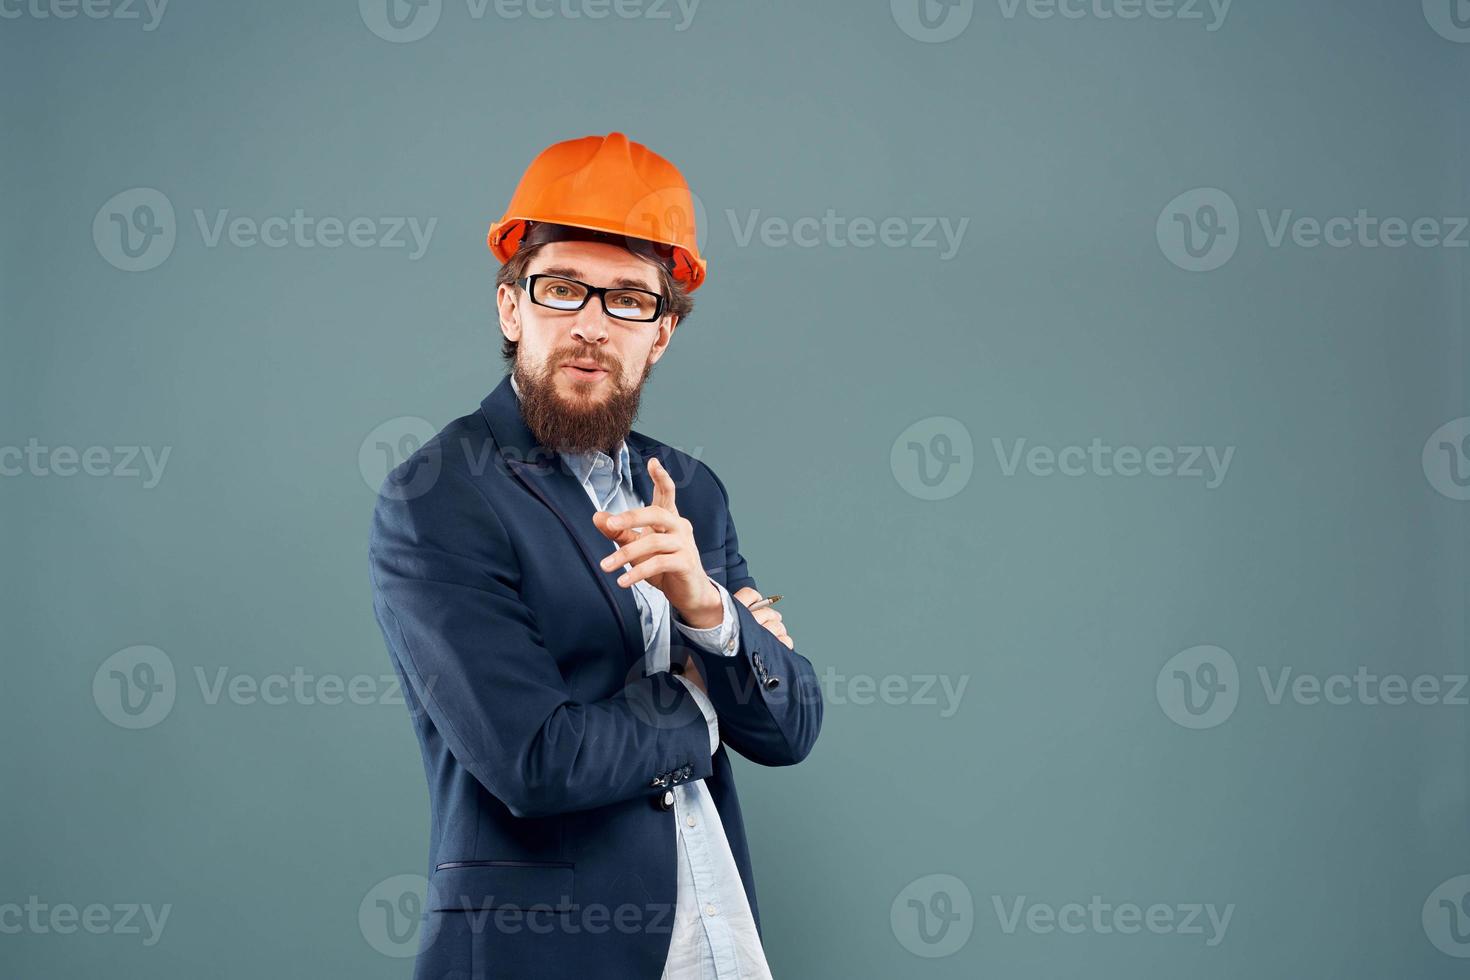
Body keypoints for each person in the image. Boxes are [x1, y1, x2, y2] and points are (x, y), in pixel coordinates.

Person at [368, 131, 824, 979]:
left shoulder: (688, 489)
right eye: (563, 289)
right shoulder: (439, 495)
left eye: (627, 300)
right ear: (512, 306)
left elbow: (790, 725)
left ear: (663, 332)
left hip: (716, 941)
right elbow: (535, 762)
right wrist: (701, 692)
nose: (589, 325)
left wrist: (709, 611)